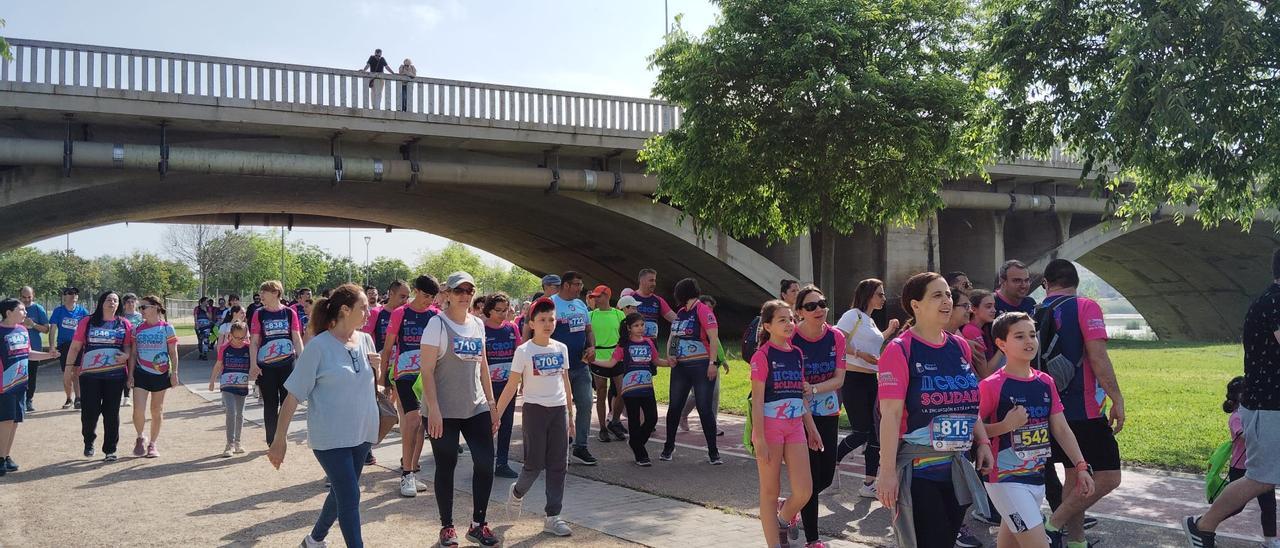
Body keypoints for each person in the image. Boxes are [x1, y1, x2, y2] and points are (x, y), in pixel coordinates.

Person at [876, 272, 993, 548]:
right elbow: (890, 416)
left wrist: (983, 440)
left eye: (949, 295)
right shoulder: (899, 350)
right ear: (915, 305)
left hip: (956, 468)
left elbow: (967, 401)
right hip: (919, 472)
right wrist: (887, 471)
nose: (946, 301)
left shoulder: (959, 346)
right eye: (937, 295)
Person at [268, 284, 379, 548]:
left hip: (362, 433)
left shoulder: (366, 340)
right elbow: (293, 395)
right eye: (363, 307)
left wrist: (377, 370)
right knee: (350, 495)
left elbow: (369, 386)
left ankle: (314, 539)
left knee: (343, 491)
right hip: (330, 438)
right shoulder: (318, 346)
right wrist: (279, 439)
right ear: (344, 309)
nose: (369, 312)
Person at [1022, 259, 1122, 548]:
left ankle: (1076, 542)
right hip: (1084, 409)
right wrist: (1117, 398)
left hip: (1050, 407)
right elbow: (1098, 358)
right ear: (1075, 282)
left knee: (1074, 476)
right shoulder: (1085, 307)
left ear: (1045, 284)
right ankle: (1053, 526)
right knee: (1109, 476)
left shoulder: (1035, 311)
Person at [1184, 250, 1280, 548]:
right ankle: (1203, 526)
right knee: (1261, 478)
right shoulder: (1274, 302)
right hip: (1268, 405)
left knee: (1263, 476)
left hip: (1271, 404)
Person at [980, 312, 1094, 548]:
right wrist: (1005, 426)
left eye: (1032, 335)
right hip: (1005, 480)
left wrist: (1081, 465)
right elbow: (972, 430)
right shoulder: (992, 385)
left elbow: (1061, 428)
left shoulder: (1045, 382)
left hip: (1035, 479)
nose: (1029, 341)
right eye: (1019, 336)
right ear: (1001, 344)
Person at [418, 272, 499, 547]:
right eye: (459, 290)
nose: (465, 295)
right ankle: (447, 526)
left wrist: (492, 404)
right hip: (444, 411)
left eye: (469, 290)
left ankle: (478, 524)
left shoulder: (478, 324)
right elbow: (426, 371)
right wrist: (434, 410)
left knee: (486, 464)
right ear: (448, 295)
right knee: (446, 465)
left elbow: (483, 366)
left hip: (475, 407)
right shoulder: (436, 325)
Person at [493, 297, 576, 537]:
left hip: (558, 410)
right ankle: (517, 492)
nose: (548, 324)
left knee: (559, 464)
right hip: (535, 411)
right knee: (534, 464)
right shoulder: (524, 350)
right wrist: (496, 415)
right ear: (532, 322)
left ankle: (553, 516)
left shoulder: (561, 348)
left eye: (551, 319)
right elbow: (511, 386)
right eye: (542, 320)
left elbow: (566, 382)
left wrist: (571, 415)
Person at [750, 299, 823, 546]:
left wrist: (811, 428)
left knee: (805, 490)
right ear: (768, 326)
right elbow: (757, 401)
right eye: (782, 319)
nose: (790, 323)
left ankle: (783, 518)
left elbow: (799, 394)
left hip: (795, 428)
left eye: (791, 319)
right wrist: (758, 438)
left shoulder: (797, 354)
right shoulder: (762, 356)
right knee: (770, 492)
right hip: (770, 427)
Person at [792, 286, 846, 548]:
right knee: (811, 477)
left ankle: (791, 505)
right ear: (799, 311)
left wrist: (813, 388)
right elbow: (794, 386)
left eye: (822, 303)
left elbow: (839, 378)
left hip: (828, 409)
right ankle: (813, 540)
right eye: (811, 306)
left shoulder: (836, 337)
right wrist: (807, 398)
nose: (819, 309)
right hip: (799, 414)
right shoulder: (791, 338)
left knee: (825, 475)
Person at [834, 279, 898, 497]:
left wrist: (888, 331)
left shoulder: (869, 320)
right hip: (853, 379)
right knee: (861, 431)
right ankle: (831, 460)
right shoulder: (853, 315)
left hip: (872, 380)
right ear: (868, 294)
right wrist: (860, 355)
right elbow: (838, 340)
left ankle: (869, 483)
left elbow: (873, 344)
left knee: (875, 434)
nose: (883, 298)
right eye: (880, 294)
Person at [382, 275, 439, 496]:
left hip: (427, 376)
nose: (429, 301)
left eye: (432, 297)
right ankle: (406, 474)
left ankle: (413, 470)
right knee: (412, 420)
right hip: (405, 374)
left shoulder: (436, 316)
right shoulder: (400, 313)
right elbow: (387, 348)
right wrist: (383, 379)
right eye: (425, 296)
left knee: (422, 425)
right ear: (416, 291)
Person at [590, 312, 672, 465]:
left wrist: (671, 363)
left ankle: (636, 442)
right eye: (636, 326)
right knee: (634, 420)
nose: (640, 328)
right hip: (630, 389)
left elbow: (656, 361)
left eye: (642, 325)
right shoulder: (623, 346)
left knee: (652, 418)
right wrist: (593, 361)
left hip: (647, 387)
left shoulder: (648, 343)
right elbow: (611, 363)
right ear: (628, 328)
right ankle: (640, 454)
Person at [535, 271, 599, 466]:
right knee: (557, 409)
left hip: (580, 366)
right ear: (565, 285)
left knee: (586, 404)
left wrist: (592, 346)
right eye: (577, 284)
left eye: (581, 284)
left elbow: (588, 330)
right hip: (556, 368)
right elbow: (537, 331)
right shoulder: (550, 304)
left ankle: (581, 445)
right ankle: (555, 447)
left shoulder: (581, 305)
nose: (580, 288)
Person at [66, 291, 135, 461]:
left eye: (115, 300)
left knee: (112, 413)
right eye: (109, 299)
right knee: (90, 413)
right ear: (101, 302)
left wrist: (126, 356)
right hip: (90, 375)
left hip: (115, 375)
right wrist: (68, 368)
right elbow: (75, 347)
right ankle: (89, 441)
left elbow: (128, 348)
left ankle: (110, 449)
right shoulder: (87, 322)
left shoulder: (124, 324)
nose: (112, 302)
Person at [661, 277, 722, 464]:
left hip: (700, 365)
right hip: (680, 367)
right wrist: (670, 354)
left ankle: (713, 452)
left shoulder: (703, 311)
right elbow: (673, 336)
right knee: (674, 407)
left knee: (704, 409)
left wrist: (712, 363)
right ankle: (668, 447)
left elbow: (713, 338)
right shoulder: (680, 312)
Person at [0, 298, 59, 476]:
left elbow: (28, 354)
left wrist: (49, 355)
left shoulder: (23, 330)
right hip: (4, 384)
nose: (25, 313)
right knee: (6, 420)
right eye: (21, 310)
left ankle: (6, 455)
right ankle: (0, 458)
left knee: (16, 420)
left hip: (20, 383)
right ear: (8, 312)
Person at [1221, 376, 1279, 546]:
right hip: (1240, 468)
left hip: (1260, 465)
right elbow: (1245, 436)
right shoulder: (1237, 417)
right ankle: (1205, 522)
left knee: (1269, 505)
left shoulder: (1251, 414)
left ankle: (1269, 540)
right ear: (1240, 396)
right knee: (1235, 506)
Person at [249, 280, 305, 447]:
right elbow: (254, 342)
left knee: (287, 402)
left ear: (275, 293)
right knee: (270, 403)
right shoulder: (259, 314)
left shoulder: (289, 313)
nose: (261, 296)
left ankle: (281, 435)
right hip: (266, 367)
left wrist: (302, 362)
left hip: (287, 364)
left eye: (264, 293)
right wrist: (253, 364)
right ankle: (271, 440)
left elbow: (296, 338)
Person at [128, 296, 179, 459]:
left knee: (156, 410)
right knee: (138, 409)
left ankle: (153, 444)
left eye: (144, 307)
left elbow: (173, 352)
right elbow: (134, 354)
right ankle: (140, 436)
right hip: (141, 373)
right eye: (140, 308)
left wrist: (175, 373)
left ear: (156, 307)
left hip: (161, 373)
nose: (141, 310)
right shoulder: (137, 329)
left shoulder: (167, 328)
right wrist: (130, 375)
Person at [482, 293, 522, 479]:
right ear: (489, 310)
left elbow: (519, 354)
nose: (502, 314)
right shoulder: (481, 329)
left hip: (508, 385)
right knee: (487, 425)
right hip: (487, 386)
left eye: (505, 310)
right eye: (498, 310)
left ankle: (502, 463)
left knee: (506, 424)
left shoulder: (512, 328)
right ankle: (484, 462)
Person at [680, 294, 730, 435]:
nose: (709, 312)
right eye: (707, 308)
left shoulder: (710, 322)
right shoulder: (691, 323)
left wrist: (722, 360)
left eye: (711, 309)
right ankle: (682, 415)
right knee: (698, 395)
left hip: (713, 364)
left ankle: (711, 425)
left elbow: (717, 343)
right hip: (697, 363)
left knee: (714, 394)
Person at [588, 285, 628, 442]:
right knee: (601, 391)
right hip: (598, 358)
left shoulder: (619, 314)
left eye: (599, 296)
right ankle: (603, 428)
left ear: (607, 296)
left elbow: (625, 334)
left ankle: (615, 420)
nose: (596, 299)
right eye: (594, 297)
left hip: (617, 357)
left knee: (622, 391)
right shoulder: (590, 315)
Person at [209, 321, 251, 457]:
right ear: (230, 336)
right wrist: (212, 381)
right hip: (227, 384)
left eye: (242, 338)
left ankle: (238, 442)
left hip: (242, 384)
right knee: (231, 412)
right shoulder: (224, 348)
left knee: (240, 414)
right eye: (236, 337)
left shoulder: (249, 348)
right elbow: (218, 364)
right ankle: (229, 444)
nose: (239, 341)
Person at [743, 279, 800, 360]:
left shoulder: (802, 314)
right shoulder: (773, 312)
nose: (797, 293)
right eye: (793, 291)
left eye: (798, 290)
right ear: (784, 295)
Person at [51, 287, 88, 409]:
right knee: (67, 373)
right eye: (70, 293)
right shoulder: (58, 311)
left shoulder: (82, 311)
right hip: (64, 345)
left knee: (77, 372)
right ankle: (68, 398)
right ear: (64, 296)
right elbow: (53, 329)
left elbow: (88, 329)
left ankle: (78, 398)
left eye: (76, 293)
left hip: (78, 345)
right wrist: (52, 347)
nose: (73, 295)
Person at [18, 286, 49, 413]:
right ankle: (19, 400)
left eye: (29, 297)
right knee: (18, 376)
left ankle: (29, 400)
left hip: (34, 348)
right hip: (17, 349)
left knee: (31, 376)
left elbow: (46, 329)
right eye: (24, 297)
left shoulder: (38, 309)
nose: (26, 300)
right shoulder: (15, 308)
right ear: (20, 296)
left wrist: (33, 325)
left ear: (33, 295)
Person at [631, 269, 678, 342]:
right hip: (633, 345)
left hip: (652, 346)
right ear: (642, 281)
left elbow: (675, 319)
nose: (654, 284)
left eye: (654, 281)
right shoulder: (630, 298)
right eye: (651, 280)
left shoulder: (658, 300)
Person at [964, 289, 999, 362]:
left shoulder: (985, 328)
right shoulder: (971, 331)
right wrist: (1003, 348)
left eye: (994, 306)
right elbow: (985, 372)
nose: (994, 310)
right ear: (973, 309)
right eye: (988, 307)